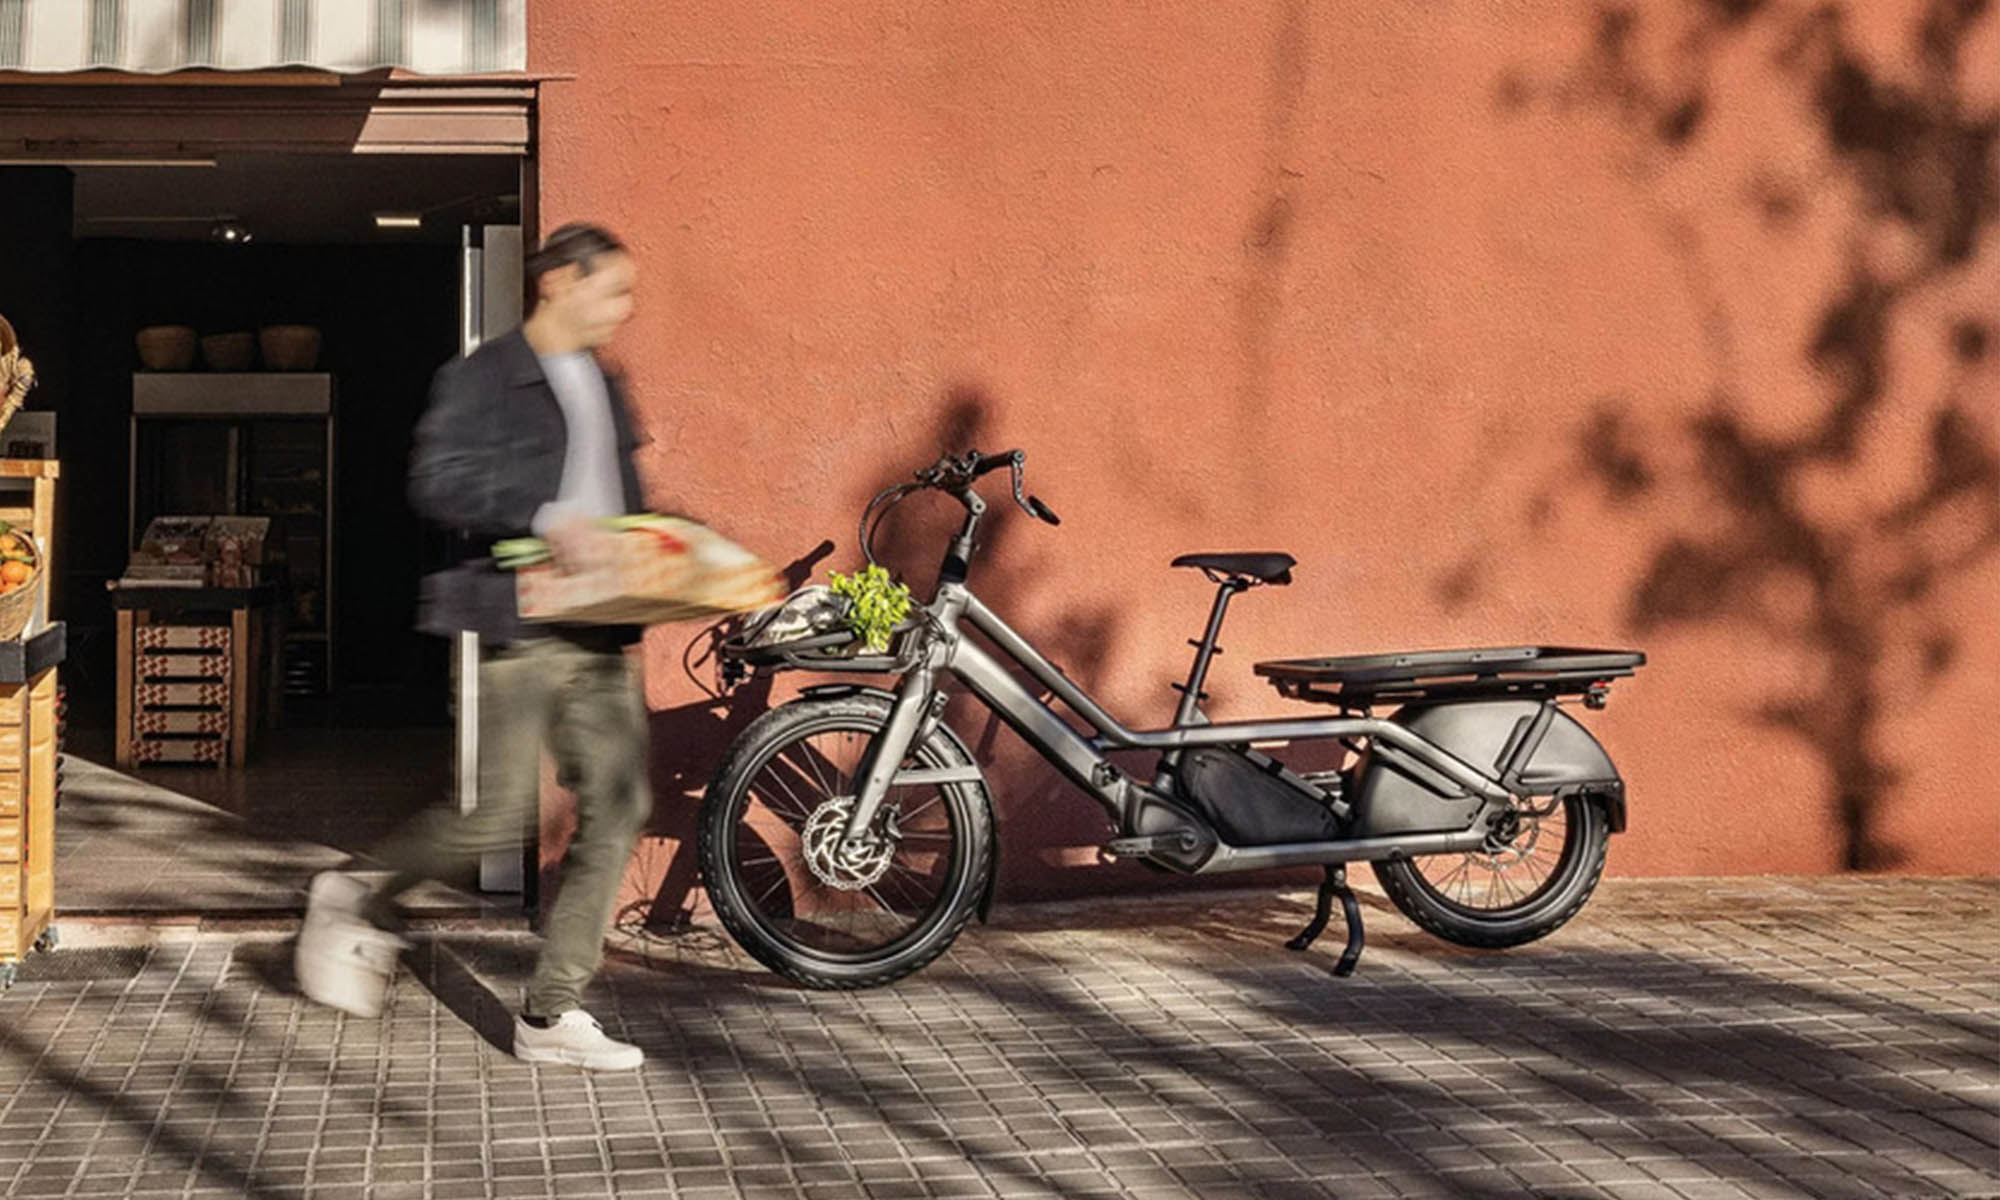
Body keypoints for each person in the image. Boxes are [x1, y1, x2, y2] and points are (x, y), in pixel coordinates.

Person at [296, 223, 654, 1071]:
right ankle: (353, 891)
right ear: (560, 282)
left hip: (602, 631)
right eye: (614, 290)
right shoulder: (483, 375)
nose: (625, 309)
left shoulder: (604, 384)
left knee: (620, 805)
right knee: (498, 814)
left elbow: (622, 496)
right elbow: (437, 481)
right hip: (523, 624)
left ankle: (550, 1013)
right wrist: (541, 518)